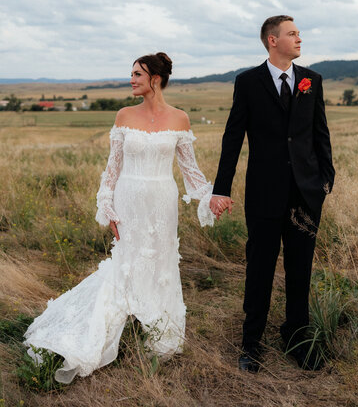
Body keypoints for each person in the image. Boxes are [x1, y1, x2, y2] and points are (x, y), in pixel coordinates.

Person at [24, 52, 226, 384]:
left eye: (137, 74)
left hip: (162, 203)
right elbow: (111, 170)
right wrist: (108, 207)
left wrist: (211, 197)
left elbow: (192, 175)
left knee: (161, 266)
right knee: (127, 264)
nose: (131, 79)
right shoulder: (123, 115)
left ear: (155, 79)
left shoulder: (180, 119)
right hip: (128, 200)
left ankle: (157, 330)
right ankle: (109, 326)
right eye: (131, 74)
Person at [210, 16, 335, 372]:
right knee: (260, 268)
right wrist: (221, 188)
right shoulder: (248, 82)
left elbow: (319, 132)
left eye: (298, 33)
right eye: (292, 33)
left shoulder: (312, 80)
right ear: (272, 40)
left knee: (301, 270)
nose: (299, 38)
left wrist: (326, 179)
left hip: (307, 195)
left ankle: (297, 338)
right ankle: (251, 344)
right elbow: (233, 137)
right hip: (264, 193)